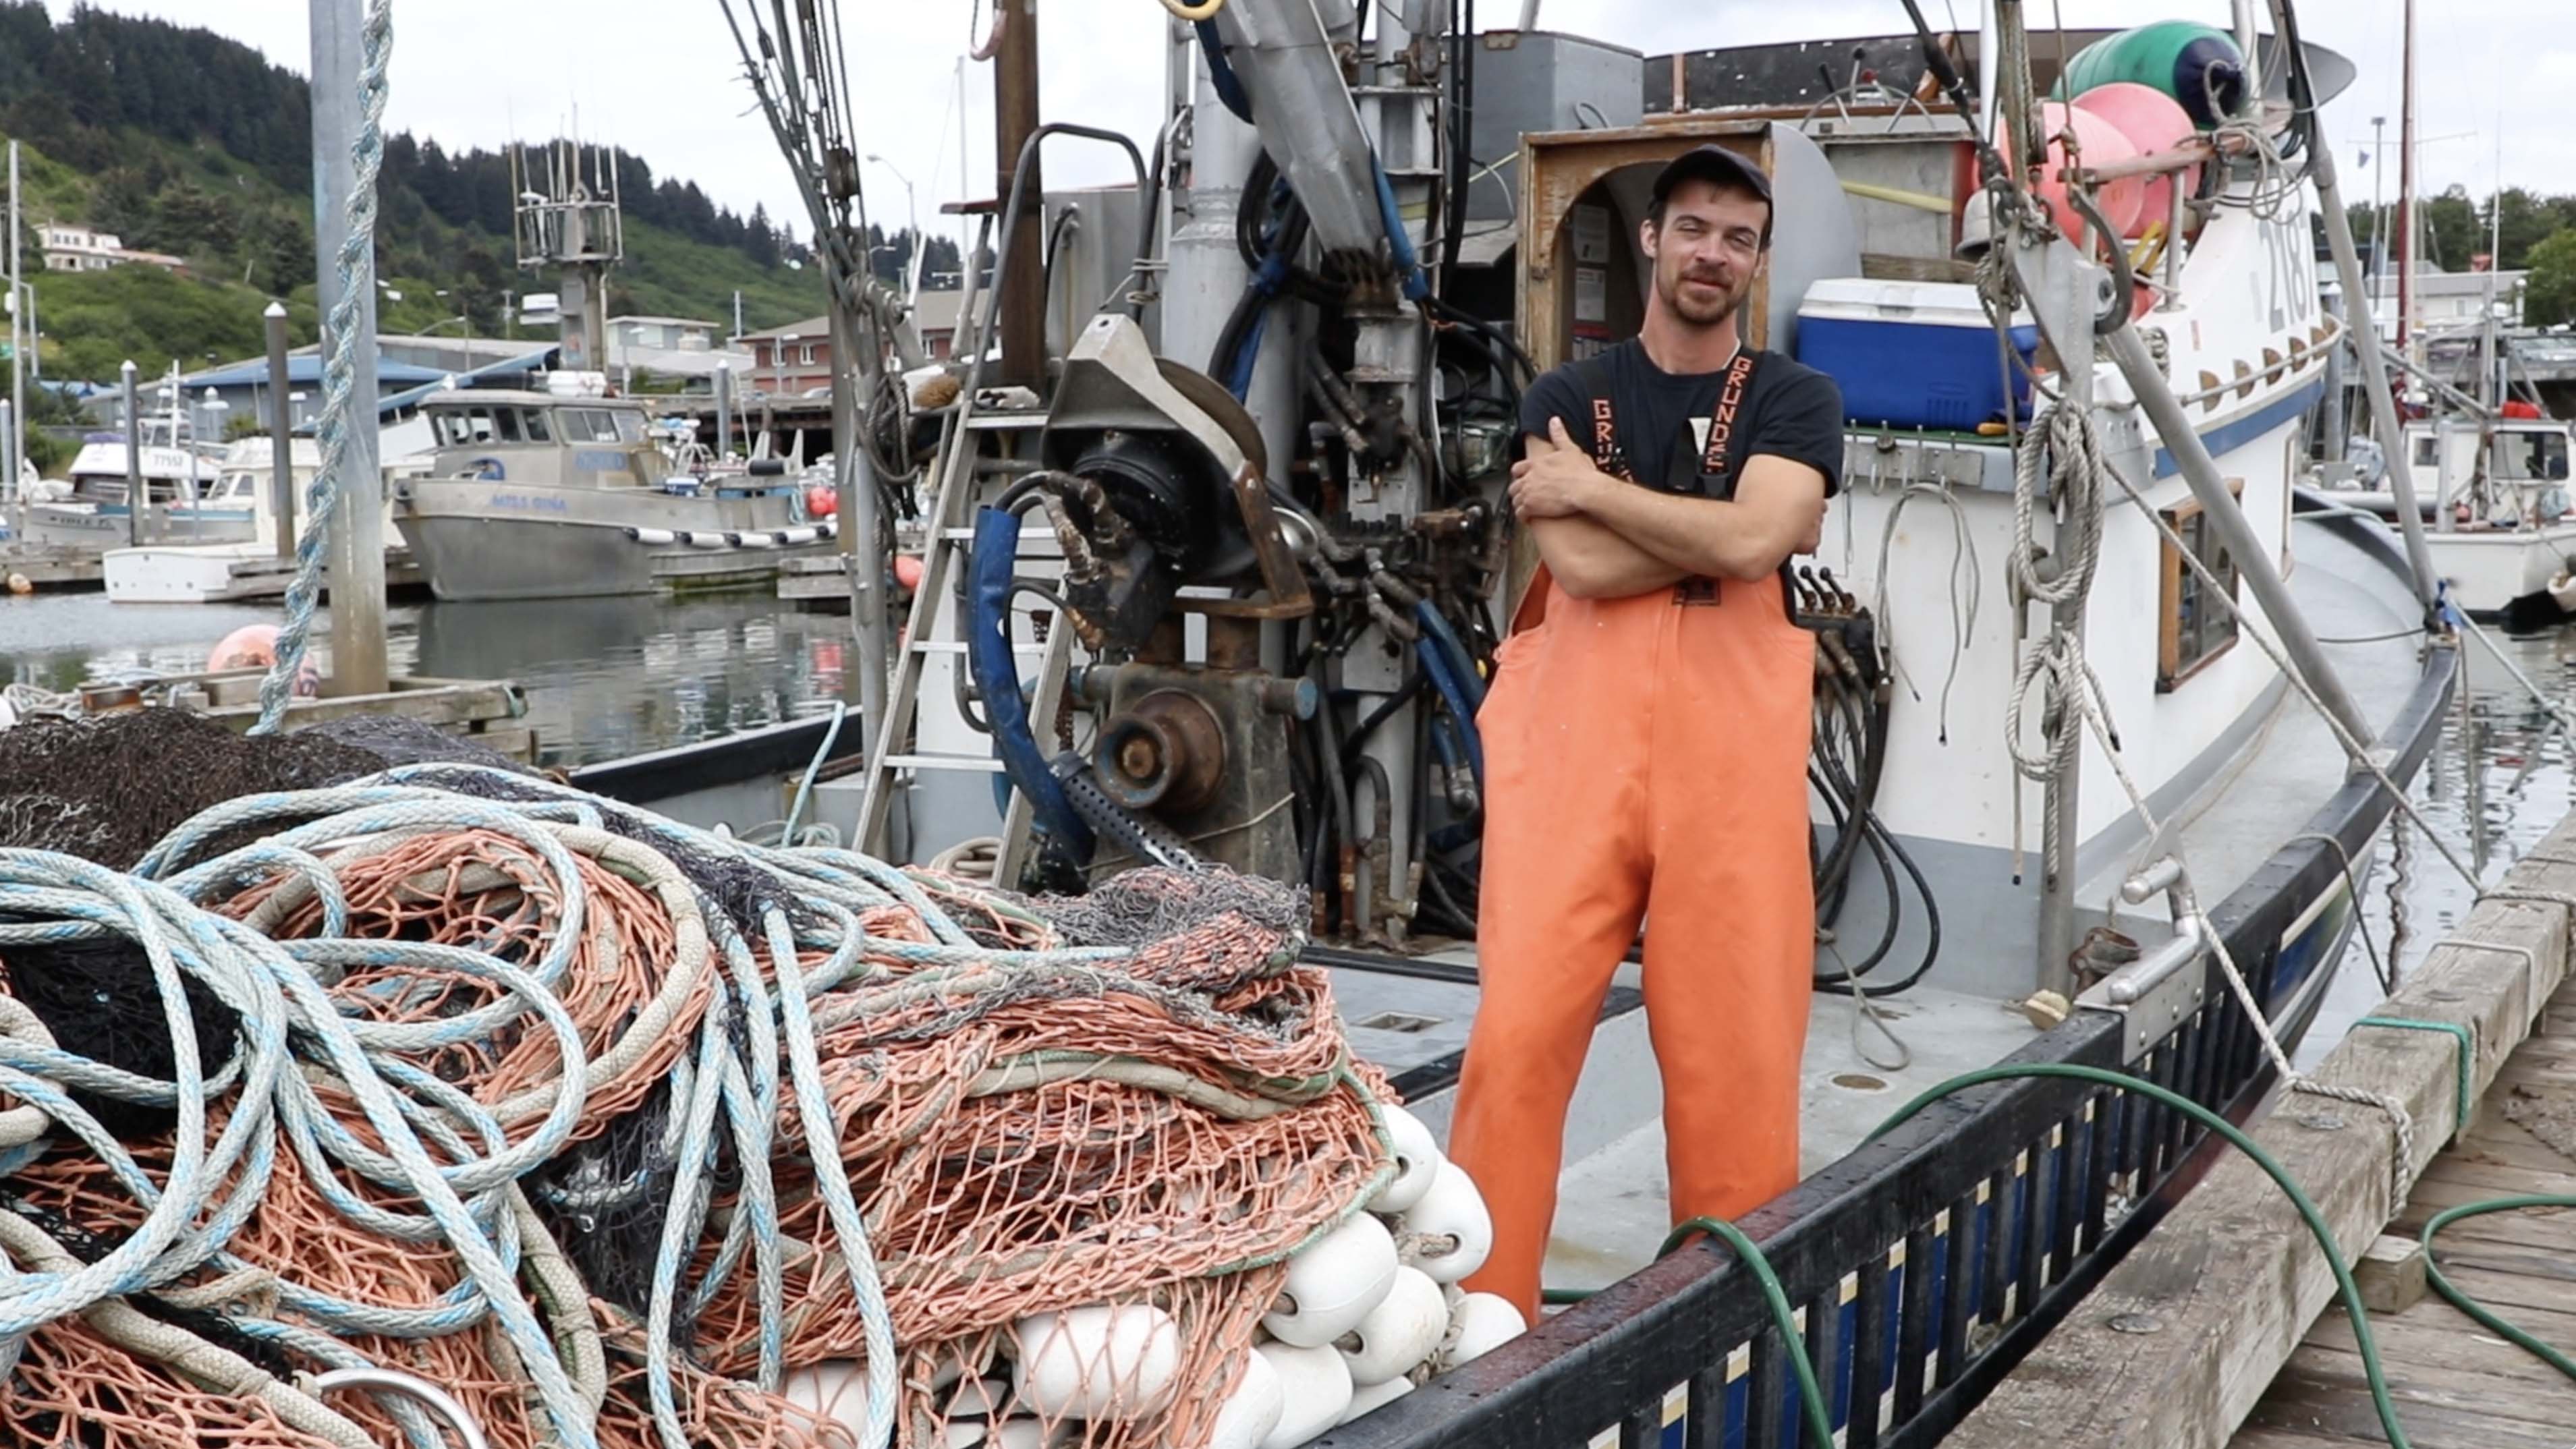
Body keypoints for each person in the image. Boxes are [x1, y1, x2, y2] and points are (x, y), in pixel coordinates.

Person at [1446, 146, 1845, 1322]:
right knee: (1513, 1046)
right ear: (1650, 242)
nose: (1710, 253)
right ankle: (1476, 1323)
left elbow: (1748, 547)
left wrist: (1597, 494)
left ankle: (1722, 1330)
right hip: (1571, 759)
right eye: (1692, 229)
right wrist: (1706, 525)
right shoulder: (1564, 396)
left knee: (1735, 1070)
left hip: (1728, 776)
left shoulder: (1793, 397)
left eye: (1736, 236)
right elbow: (1571, 565)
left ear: (1756, 262)